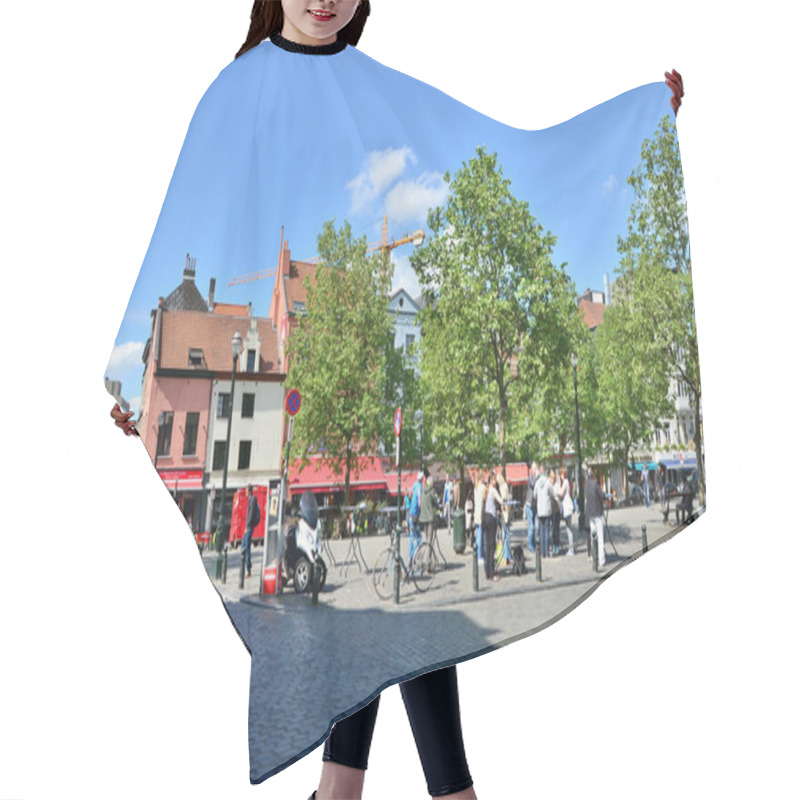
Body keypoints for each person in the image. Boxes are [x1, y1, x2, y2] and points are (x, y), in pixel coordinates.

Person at [107, 2, 686, 795]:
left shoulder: (374, 84)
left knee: (393, 630)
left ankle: (358, 791)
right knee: (389, 630)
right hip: (315, 360)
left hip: (361, 370)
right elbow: (198, 210)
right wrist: (129, 378)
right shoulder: (234, 91)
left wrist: (638, 119)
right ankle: (421, 792)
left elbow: (499, 152)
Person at [483, 471, 503, 582]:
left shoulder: (486, 490)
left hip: (485, 517)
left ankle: (487, 569)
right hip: (491, 518)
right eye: (495, 479)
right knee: (491, 545)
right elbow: (500, 501)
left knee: (488, 546)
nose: (496, 481)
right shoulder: (493, 490)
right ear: (492, 480)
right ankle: (491, 573)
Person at [585, 466, 606, 569]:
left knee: (593, 536)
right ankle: (601, 559)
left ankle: (594, 556)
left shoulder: (586, 485)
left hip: (590, 513)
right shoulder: (595, 484)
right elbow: (602, 495)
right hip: (597, 512)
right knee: (600, 536)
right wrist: (604, 494)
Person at [534, 466, 556, 558]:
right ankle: (547, 553)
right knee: (547, 531)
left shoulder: (537, 482)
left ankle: (542, 552)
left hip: (540, 510)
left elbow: (534, 495)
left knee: (541, 531)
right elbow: (552, 494)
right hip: (547, 509)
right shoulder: (548, 482)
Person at [556, 467, 575, 556]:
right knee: (568, 528)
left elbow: (560, 493)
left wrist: (557, 487)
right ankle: (571, 548)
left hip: (567, 507)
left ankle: (571, 548)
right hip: (566, 506)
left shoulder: (566, 482)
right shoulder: (565, 482)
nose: (560, 476)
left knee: (569, 528)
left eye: (561, 474)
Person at [242, 484, 260, 578]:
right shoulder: (250, 499)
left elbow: (251, 514)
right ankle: (248, 564)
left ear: (249, 491)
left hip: (249, 527)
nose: (245, 492)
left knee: (246, 547)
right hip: (248, 527)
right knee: (244, 546)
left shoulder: (252, 500)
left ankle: (248, 569)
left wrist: (247, 526)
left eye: (246, 490)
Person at [496, 467, 512, 565]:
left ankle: (506, 555)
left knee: (505, 534)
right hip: (505, 513)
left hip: (505, 514)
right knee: (506, 534)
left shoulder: (503, 487)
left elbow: (504, 501)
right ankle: (507, 555)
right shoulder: (504, 486)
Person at [419, 469, 438, 551]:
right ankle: (427, 560)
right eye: (433, 483)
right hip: (430, 517)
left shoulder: (423, 489)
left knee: (427, 538)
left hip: (423, 517)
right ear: (431, 483)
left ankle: (428, 559)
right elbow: (435, 501)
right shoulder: (432, 491)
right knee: (430, 540)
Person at [409, 470, 424, 564]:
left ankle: (410, 555)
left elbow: (411, 494)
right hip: (415, 515)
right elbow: (419, 501)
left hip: (410, 514)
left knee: (412, 536)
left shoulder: (414, 485)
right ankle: (414, 555)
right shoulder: (419, 487)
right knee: (418, 537)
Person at [524, 462, 538, 554]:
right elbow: (532, 485)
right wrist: (536, 476)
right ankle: (531, 545)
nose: (536, 470)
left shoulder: (538, 477)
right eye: (535, 468)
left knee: (536, 526)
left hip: (536, 504)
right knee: (531, 527)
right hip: (529, 504)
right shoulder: (530, 477)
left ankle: (535, 543)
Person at [473, 472, 486, 564]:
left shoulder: (476, 488)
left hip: (476, 514)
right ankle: (479, 555)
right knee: (481, 536)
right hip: (481, 514)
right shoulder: (482, 488)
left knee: (478, 535)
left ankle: (478, 554)